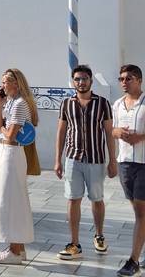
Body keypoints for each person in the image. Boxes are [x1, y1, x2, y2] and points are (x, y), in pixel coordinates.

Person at [54, 65, 117, 260]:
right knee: (73, 199)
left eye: (84, 79)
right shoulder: (66, 104)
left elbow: (109, 133)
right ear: (73, 82)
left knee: (97, 199)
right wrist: (58, 160)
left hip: (96, 159)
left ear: (91, 81)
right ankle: (74, 243)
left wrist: (112, 161)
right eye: (77, 79)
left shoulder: (103, 104)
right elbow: (61, 132)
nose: (81, 82)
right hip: (73, 158)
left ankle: (99, 236)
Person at [0, 68, 38, 265]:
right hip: (4, 152)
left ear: (16, 83)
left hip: (11, 153)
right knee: (6, 197)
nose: (2, 85)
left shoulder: (20, 104)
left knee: (9, 200)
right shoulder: (11, 102)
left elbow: (10, 134)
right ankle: (18, 249)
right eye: (2, 82)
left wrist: (5, 130)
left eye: (5, 82)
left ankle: (14, 250)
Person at [112, 65, 145, 276]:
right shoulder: (117, 104)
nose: (124, 82)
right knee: (139, 213)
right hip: (125, 163)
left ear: (139, 80)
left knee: (141, 213)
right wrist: (119, 133)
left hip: (144, 164)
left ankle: (133, 261)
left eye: (129, 78)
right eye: (121, 78)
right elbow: (112, 129)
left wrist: (140, 137)